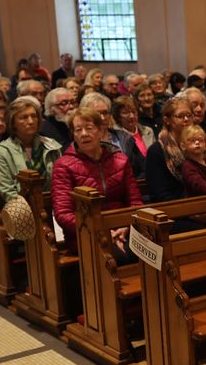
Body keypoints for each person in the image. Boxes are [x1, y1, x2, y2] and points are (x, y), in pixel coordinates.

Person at [51, 107, 143, 258]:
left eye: (89, 128)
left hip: (123, 229)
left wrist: (126, 225)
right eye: (78, 130)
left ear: (101, 131)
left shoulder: (120, 160)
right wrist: (103, 231)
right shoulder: (63, 165)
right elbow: (63, 214)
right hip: (85, 234)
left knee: (155, 252)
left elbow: (135, 201)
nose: (84, 134)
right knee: (124, 257)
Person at [0, 96, 63, 202]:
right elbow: (7, 191)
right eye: (24, 117)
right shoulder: (2, 151)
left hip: (52, 203)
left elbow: (61, 182)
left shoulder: (51, 146)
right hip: (21, 208)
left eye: (34, 116)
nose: (30, 121)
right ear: (13, 122)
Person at [81, 92, 145, 177]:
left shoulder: (125, 138)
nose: (102, 118)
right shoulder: (81, 143)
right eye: (97, 114)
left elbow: (143, 169)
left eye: (105, 113)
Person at [145, 97, 196, 203]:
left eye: (189, 115)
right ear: (167, 120)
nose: (186, 119)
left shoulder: (198, 144)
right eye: (180, 116)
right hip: (173, 209)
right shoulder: (156, 151)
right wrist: (192, 212)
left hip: (199, 202)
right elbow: (160, 193)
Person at [112, 96, 154, 160]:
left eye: (134, 112)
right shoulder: (114, 136)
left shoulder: (148, 131)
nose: (131, 116)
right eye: (125, 113)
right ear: (118, 116)